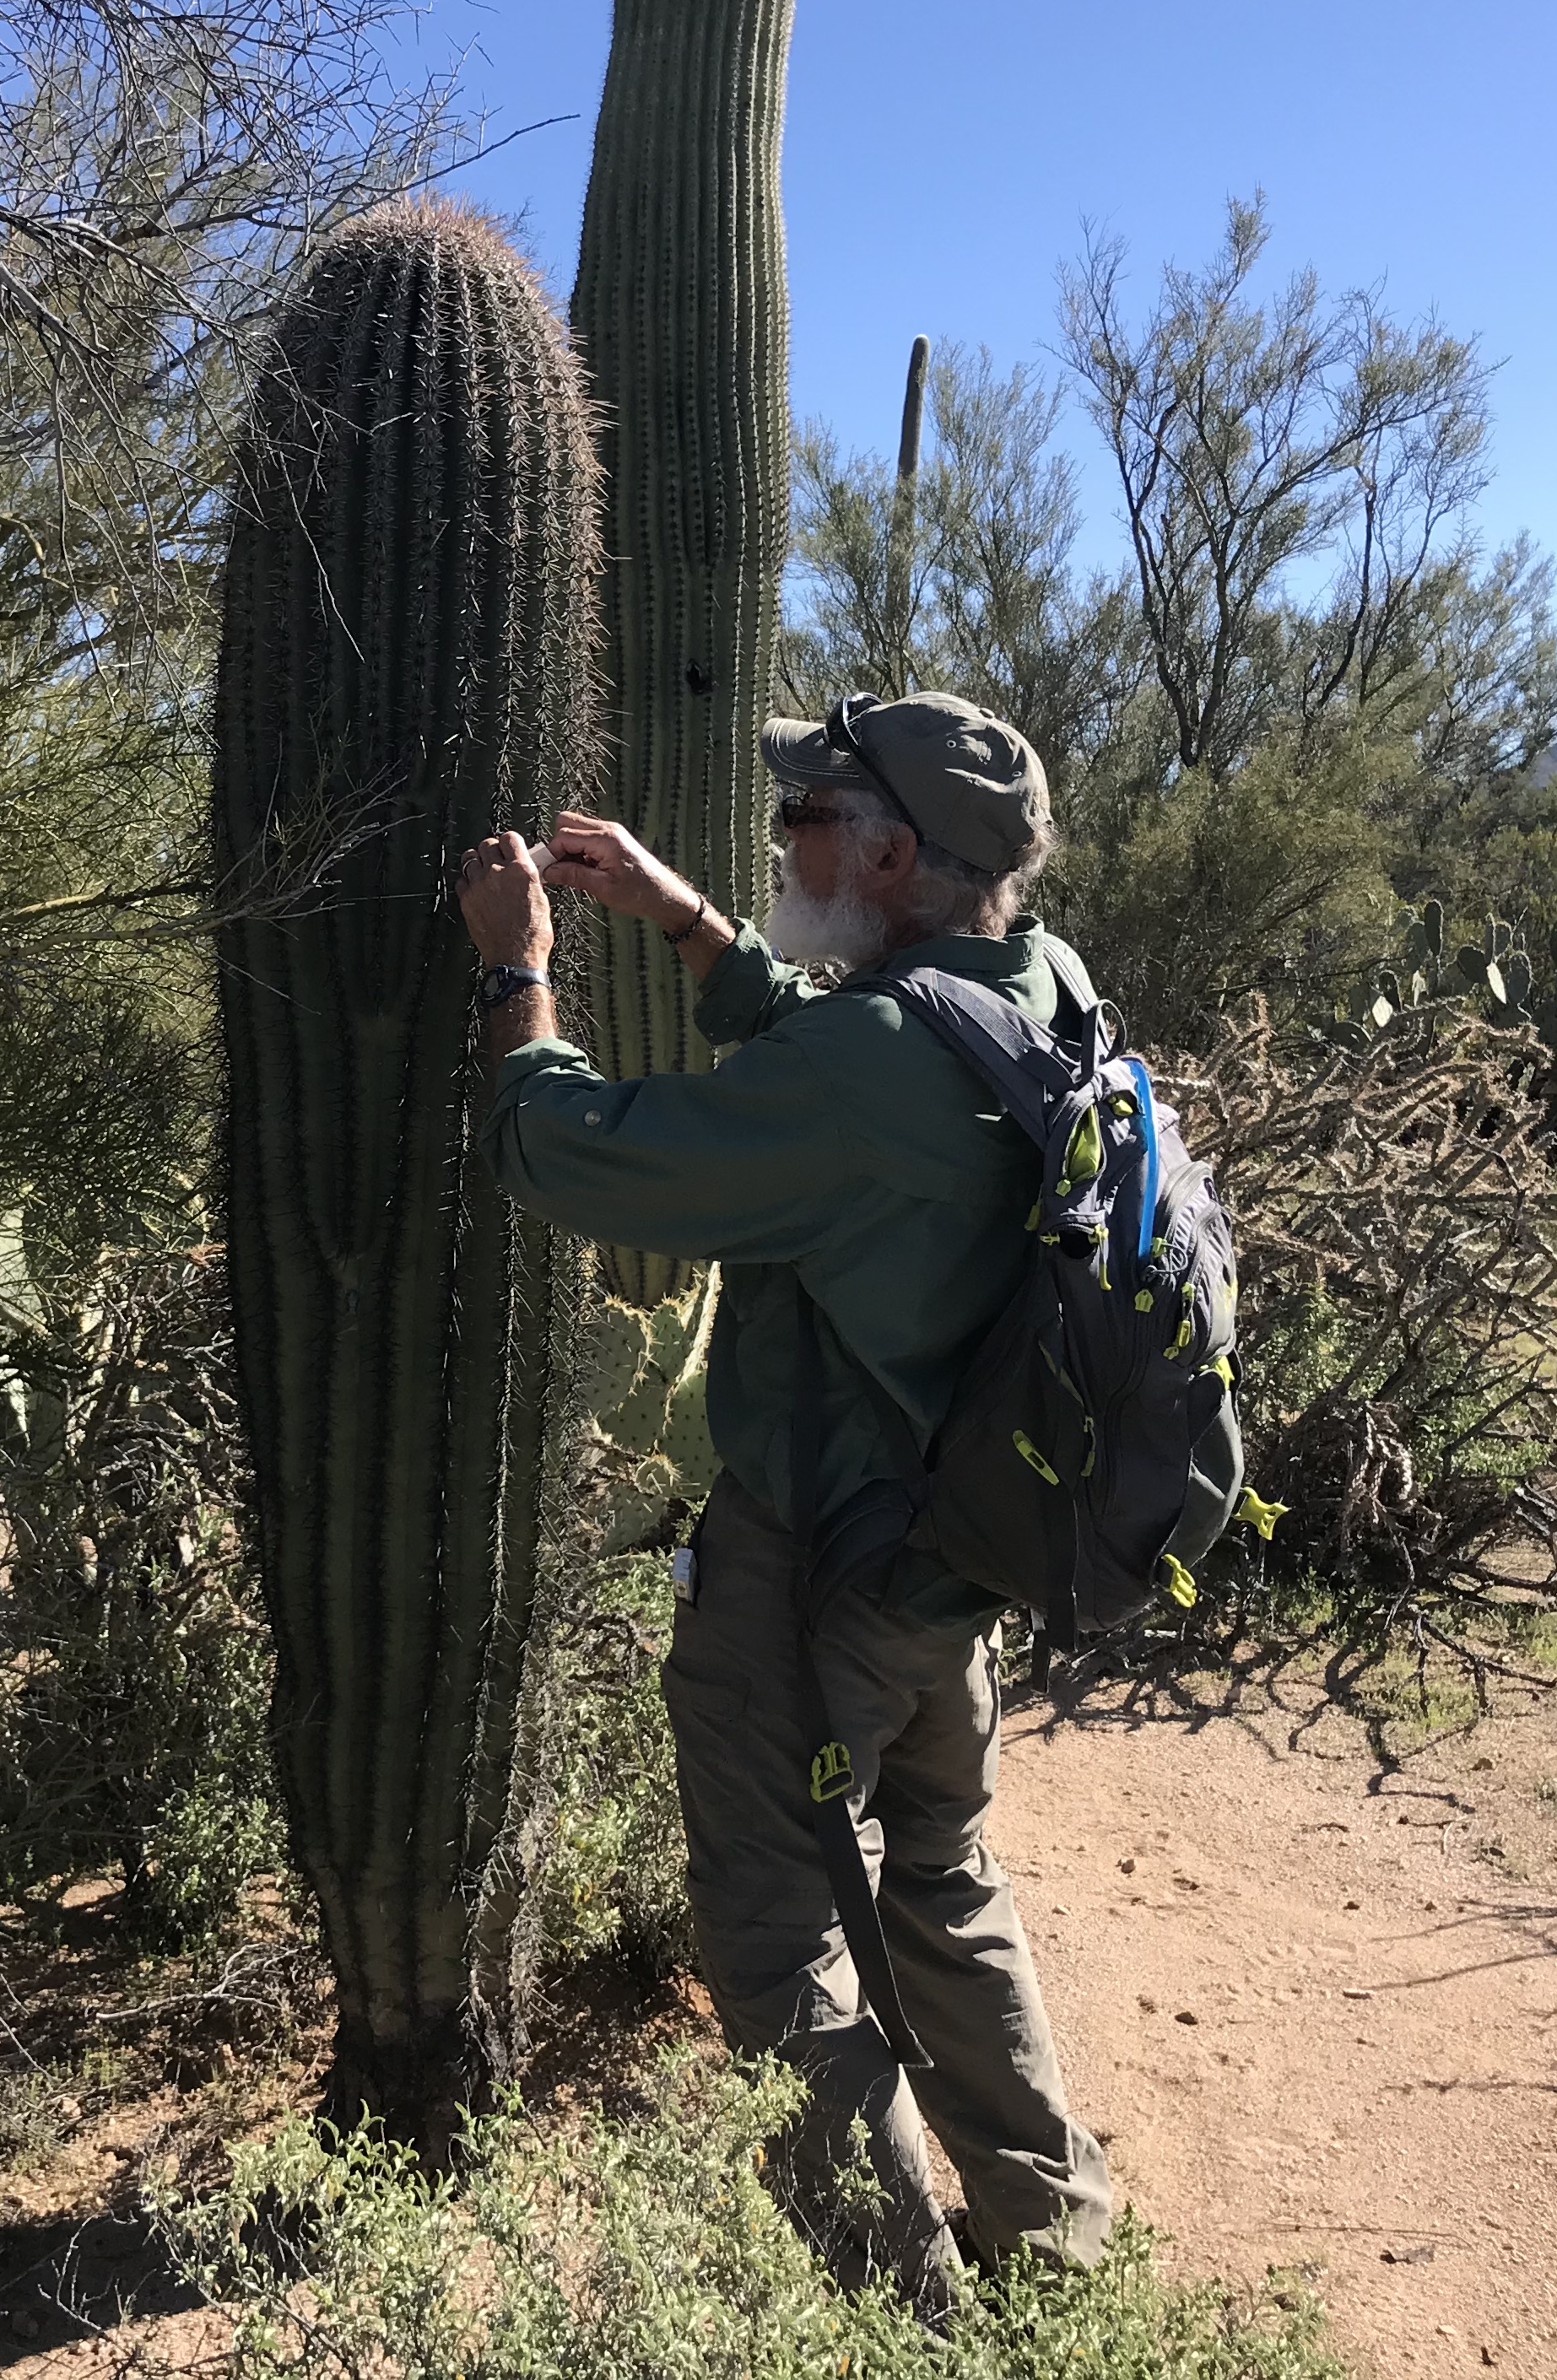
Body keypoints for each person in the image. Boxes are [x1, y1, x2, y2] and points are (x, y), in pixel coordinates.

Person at [452, 688, 1114, 2320]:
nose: (782, 842)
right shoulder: (1038, 987)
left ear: (892, 853)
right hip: (959, 1551)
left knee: (773, 1945)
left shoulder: (869, 1064)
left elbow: (570, 1152)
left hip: (812, 1573)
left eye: (809, 821)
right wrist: (688, 924)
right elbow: (856, 1052)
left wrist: (519, 969)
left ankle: (910, 2319)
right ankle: (1059, 2240)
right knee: (944, 1879)